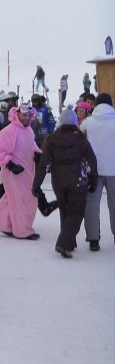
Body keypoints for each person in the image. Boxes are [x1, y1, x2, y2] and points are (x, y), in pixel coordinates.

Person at [32, 107, 97, 258]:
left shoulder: (51, 139)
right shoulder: (81, 139)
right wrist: (93, 180)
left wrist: (36, 184)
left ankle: (69, 242)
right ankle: (64, 243)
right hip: (77, 181)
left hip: (59, 181)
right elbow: (91, 162)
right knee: (75, 213)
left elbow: (43, 164)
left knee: (65, 210)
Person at [0, 104, 42, 240]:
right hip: (14, 172)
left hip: (26, 170)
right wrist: (9, 164)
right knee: (22, 200)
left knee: (13, 198)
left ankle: (4, 224)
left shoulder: (28, 131)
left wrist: (38, 154)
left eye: (28, 115)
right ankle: (23, 230)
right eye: (24, 115)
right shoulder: (9, 131)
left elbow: (32, 146)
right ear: (17, 114)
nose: (27, 118)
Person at [80, 92, 114, 251]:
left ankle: (93, 239)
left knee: (91, 203)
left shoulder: (88, 122)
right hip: (113, 169)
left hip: (92, 169)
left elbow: (79, 139)